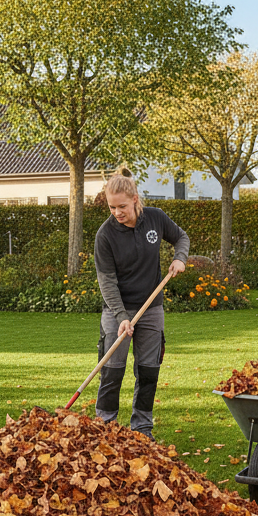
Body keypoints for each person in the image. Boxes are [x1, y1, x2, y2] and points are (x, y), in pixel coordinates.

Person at [93, 168, 190, 437]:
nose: (116, 212)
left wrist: (180, 257)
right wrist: (122, 316)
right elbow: (107, 282)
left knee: (148, 371)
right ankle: (105, 426)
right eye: (112, 207)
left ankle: (142, 428)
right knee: (111, 371)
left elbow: (181, 237)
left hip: (151, 308)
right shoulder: (105, 235)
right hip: (117, 312)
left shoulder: (156, 219)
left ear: (135, 199)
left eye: (122, 206)